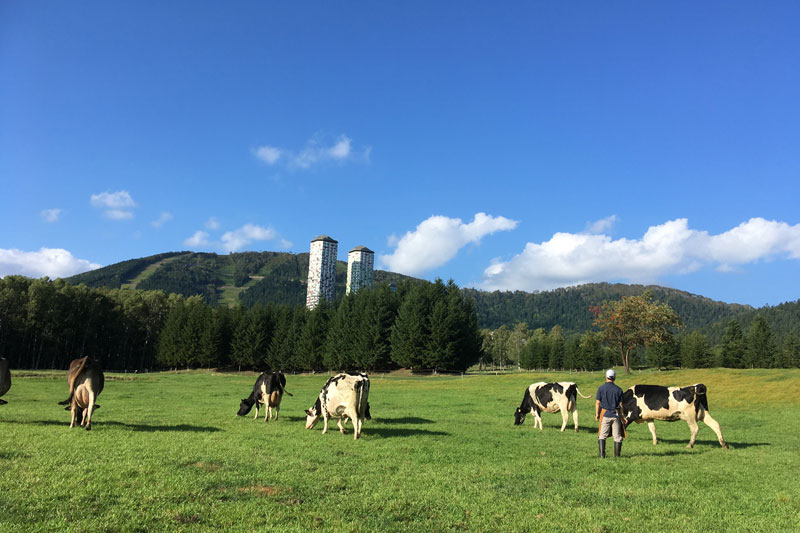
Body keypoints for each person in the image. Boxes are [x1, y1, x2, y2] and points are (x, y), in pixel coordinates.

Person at [595, 368, 625, 458]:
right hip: (615, 415)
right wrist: (622, 417)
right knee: (617, 437)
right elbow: (621, 405)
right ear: (614, 378)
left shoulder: (601, 388)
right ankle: (617, 456)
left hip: (605, 415)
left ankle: (602, 456)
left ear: (606, 377)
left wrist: (597, 414)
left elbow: (597, 402)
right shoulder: (619, 390)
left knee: (602, 436)